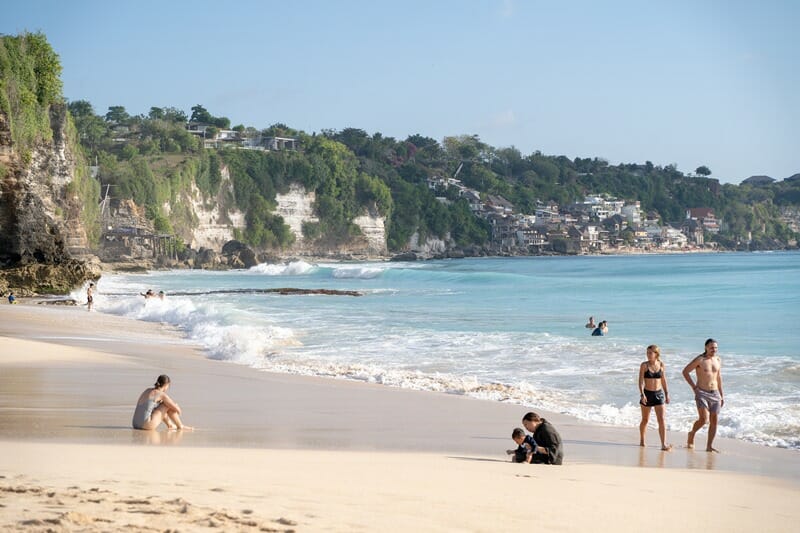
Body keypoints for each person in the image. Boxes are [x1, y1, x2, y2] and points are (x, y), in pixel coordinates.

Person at [682, 338, 724, 452]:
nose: (714, 349)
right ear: (706, 347)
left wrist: (722, 395)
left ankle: (709, 446)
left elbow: (719, 377)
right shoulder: (700, 359)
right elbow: (685, 372)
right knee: (704, 419)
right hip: (701, 392)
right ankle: (692, 434)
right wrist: (694, 387)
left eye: (715, 347)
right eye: (711, 347)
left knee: (714, 420)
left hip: (715, 393)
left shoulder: (718, 360)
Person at [638, 344, 672, 451]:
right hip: (647, 395)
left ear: (656, 354)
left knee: (661, 420)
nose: (648, 355)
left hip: (659, 394)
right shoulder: (644, 365)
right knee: (645, 420)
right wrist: (642, 394)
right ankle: (642, 440)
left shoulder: (661, 364)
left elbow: (663, 380)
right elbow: (640, 382)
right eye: (647, 353)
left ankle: (663, 444)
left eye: (650, 353)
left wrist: (666, 394)